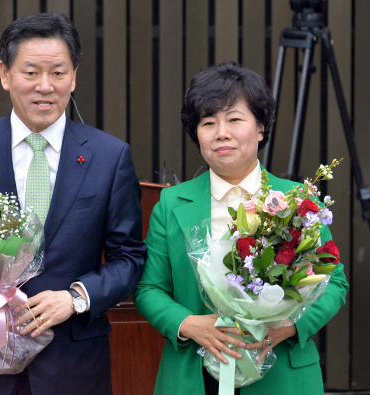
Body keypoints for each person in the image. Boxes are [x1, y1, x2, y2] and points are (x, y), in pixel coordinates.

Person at [0, 13, 147, 395]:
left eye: (58, 73)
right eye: (30, 73)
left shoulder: (110, 157)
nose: (45, 86)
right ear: (5, 75)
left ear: (73, 77)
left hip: (71, 369)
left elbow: (130, 258)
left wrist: (76, 298)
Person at [132, 62, 348, 394]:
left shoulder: (298, 200)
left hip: (282, 372)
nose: (222, 133)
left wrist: (289, 325)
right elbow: (149, 288)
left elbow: (333, 281)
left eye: (235, 119)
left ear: (260, 127)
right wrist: (191, 325)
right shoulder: (172, 204)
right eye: (208, 123)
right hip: (195, 372)